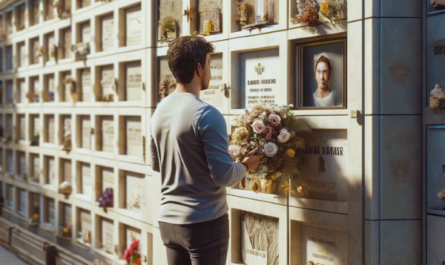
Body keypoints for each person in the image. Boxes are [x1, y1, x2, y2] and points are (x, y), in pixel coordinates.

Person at [150, 36, 263, 265]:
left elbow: (157, 164)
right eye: (210, 63)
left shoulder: (159, 111)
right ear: (199, 68)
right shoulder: (207, 114)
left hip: (168, 223)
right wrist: (246, 165)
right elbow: (223, 176)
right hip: (204, 224)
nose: (211, 69)